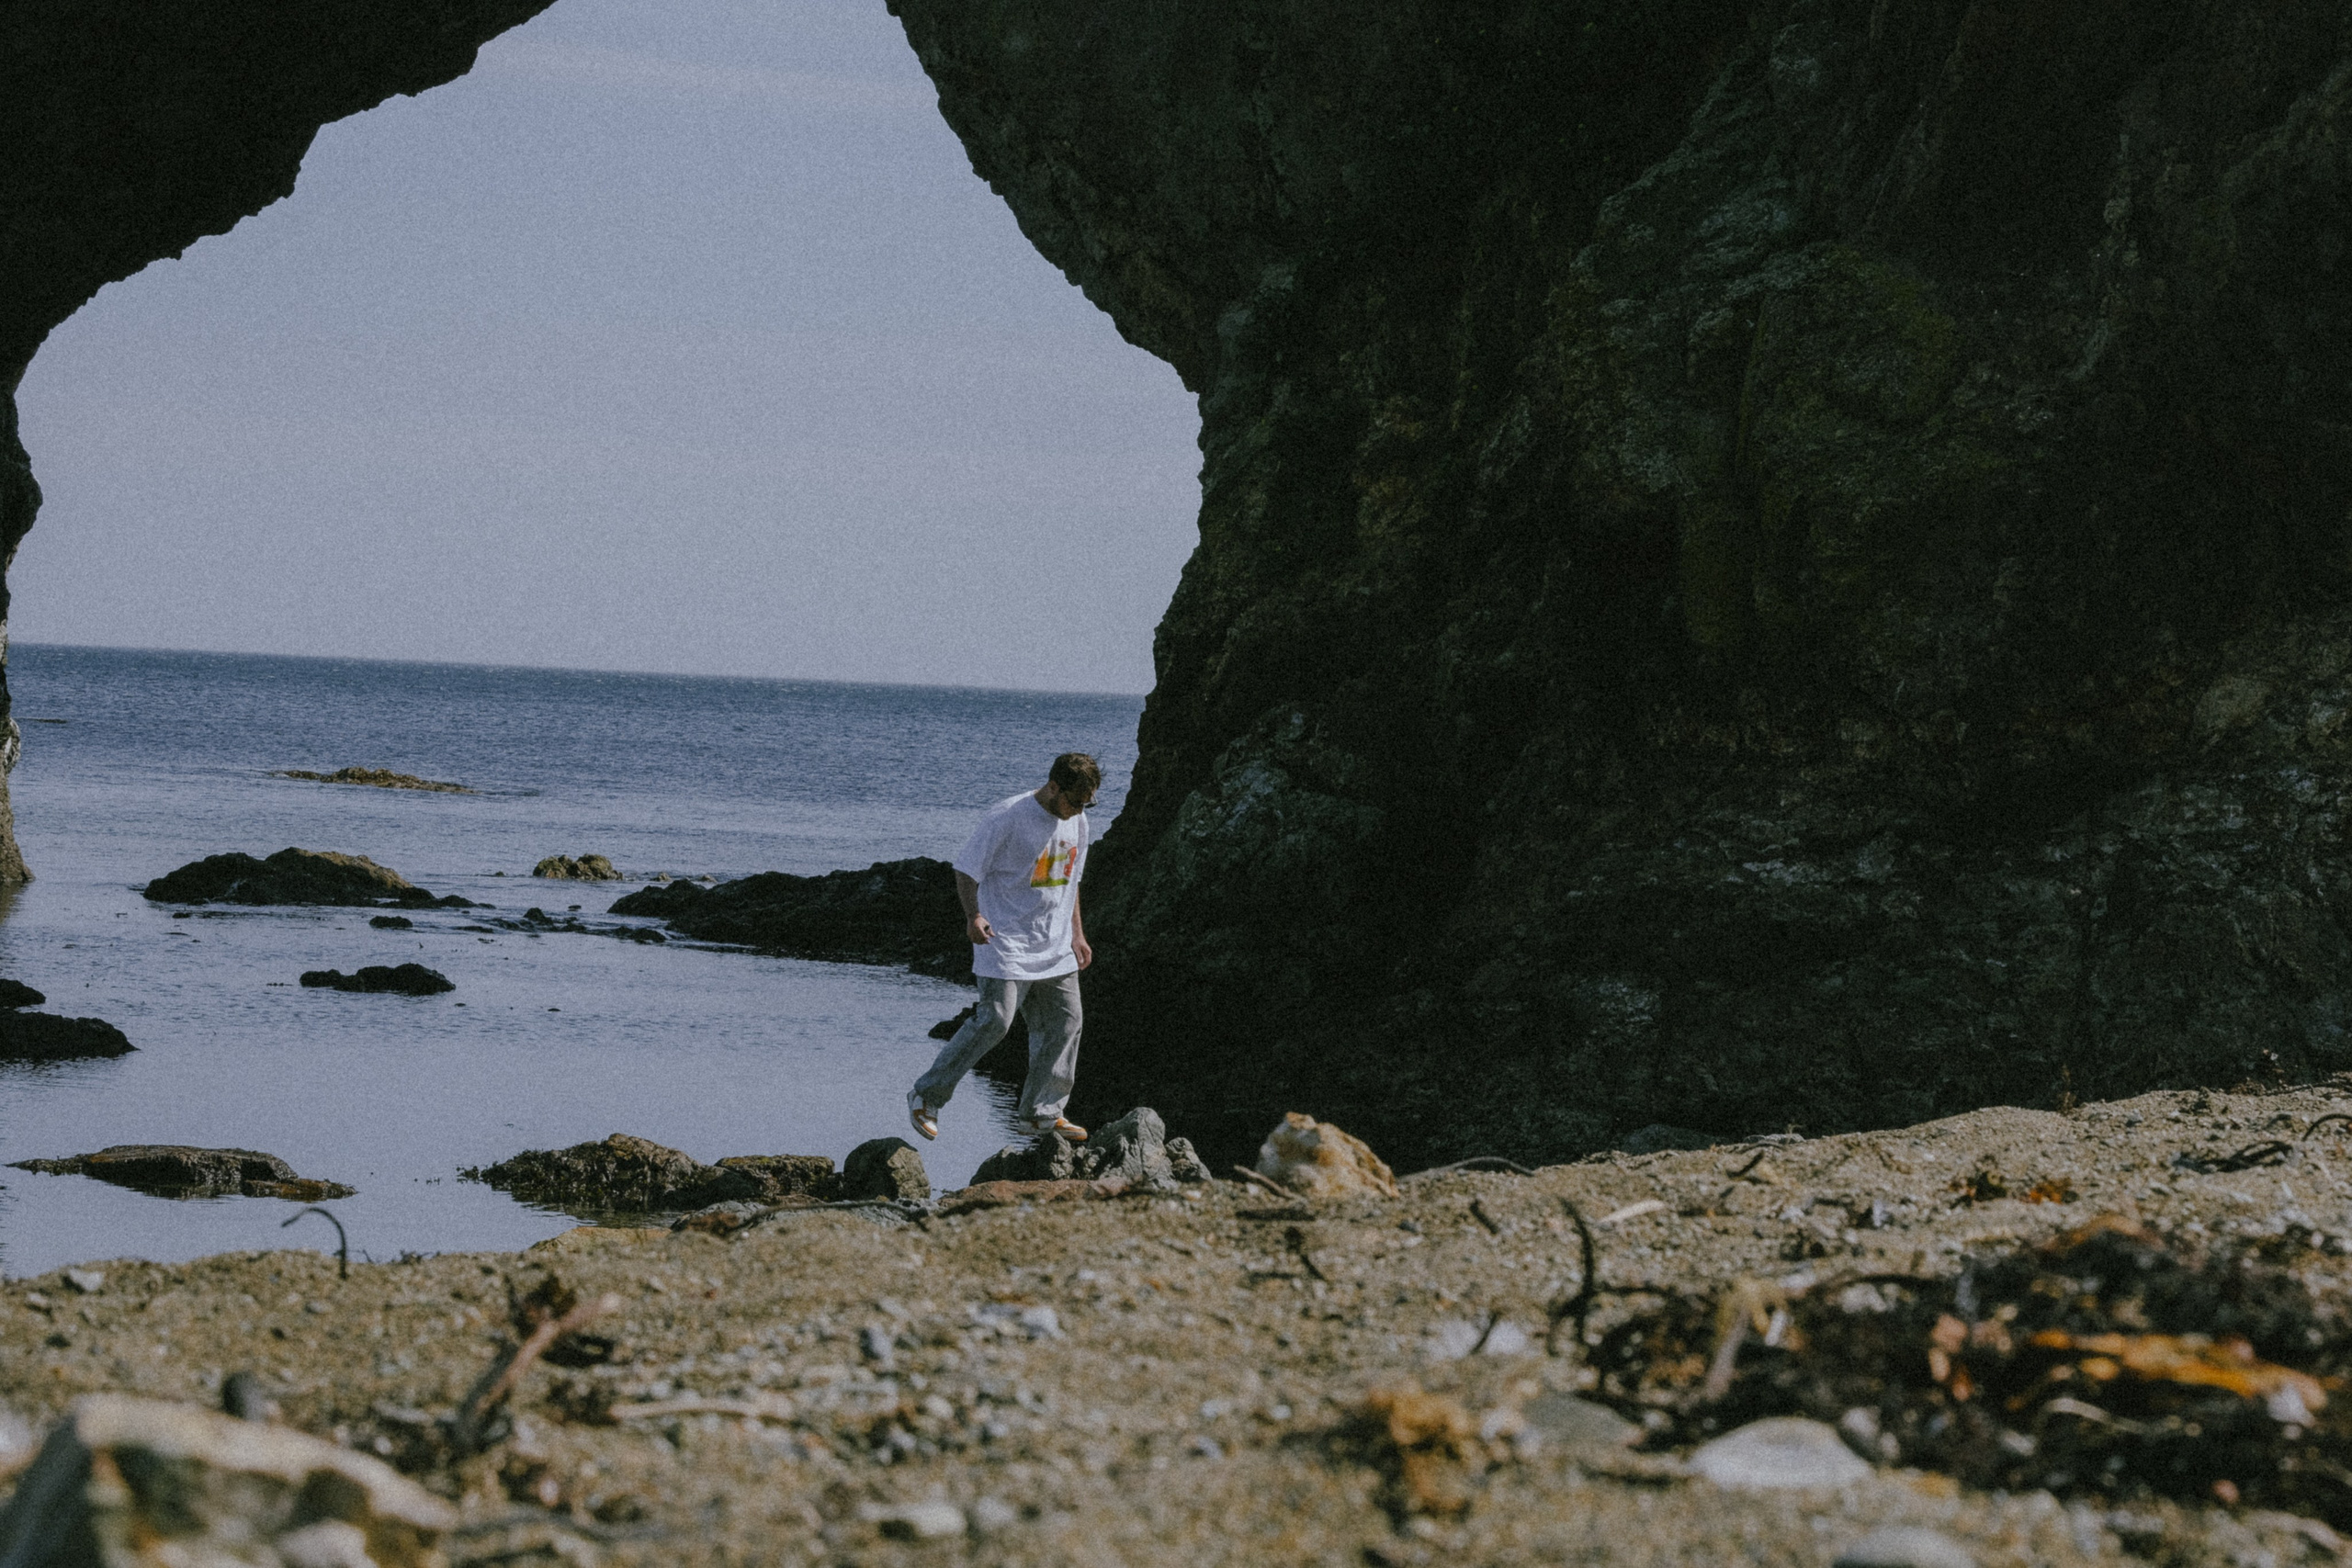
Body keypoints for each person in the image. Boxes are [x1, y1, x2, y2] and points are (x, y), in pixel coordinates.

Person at [908, 752, 1099, 1144]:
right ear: (1053, 786)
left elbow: (1070, 881)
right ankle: (927, 1095)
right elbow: (966, 868)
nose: (1079, 810)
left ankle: (1041, 1113)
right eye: (1074, 801)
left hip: (1055, 943)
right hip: (1004, 941)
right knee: (995, 1020)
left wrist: (1077, 934)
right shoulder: (1008, 816)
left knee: (1066, 1022)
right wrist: (973, 916)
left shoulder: (1077, 820)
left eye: (1087, 803)